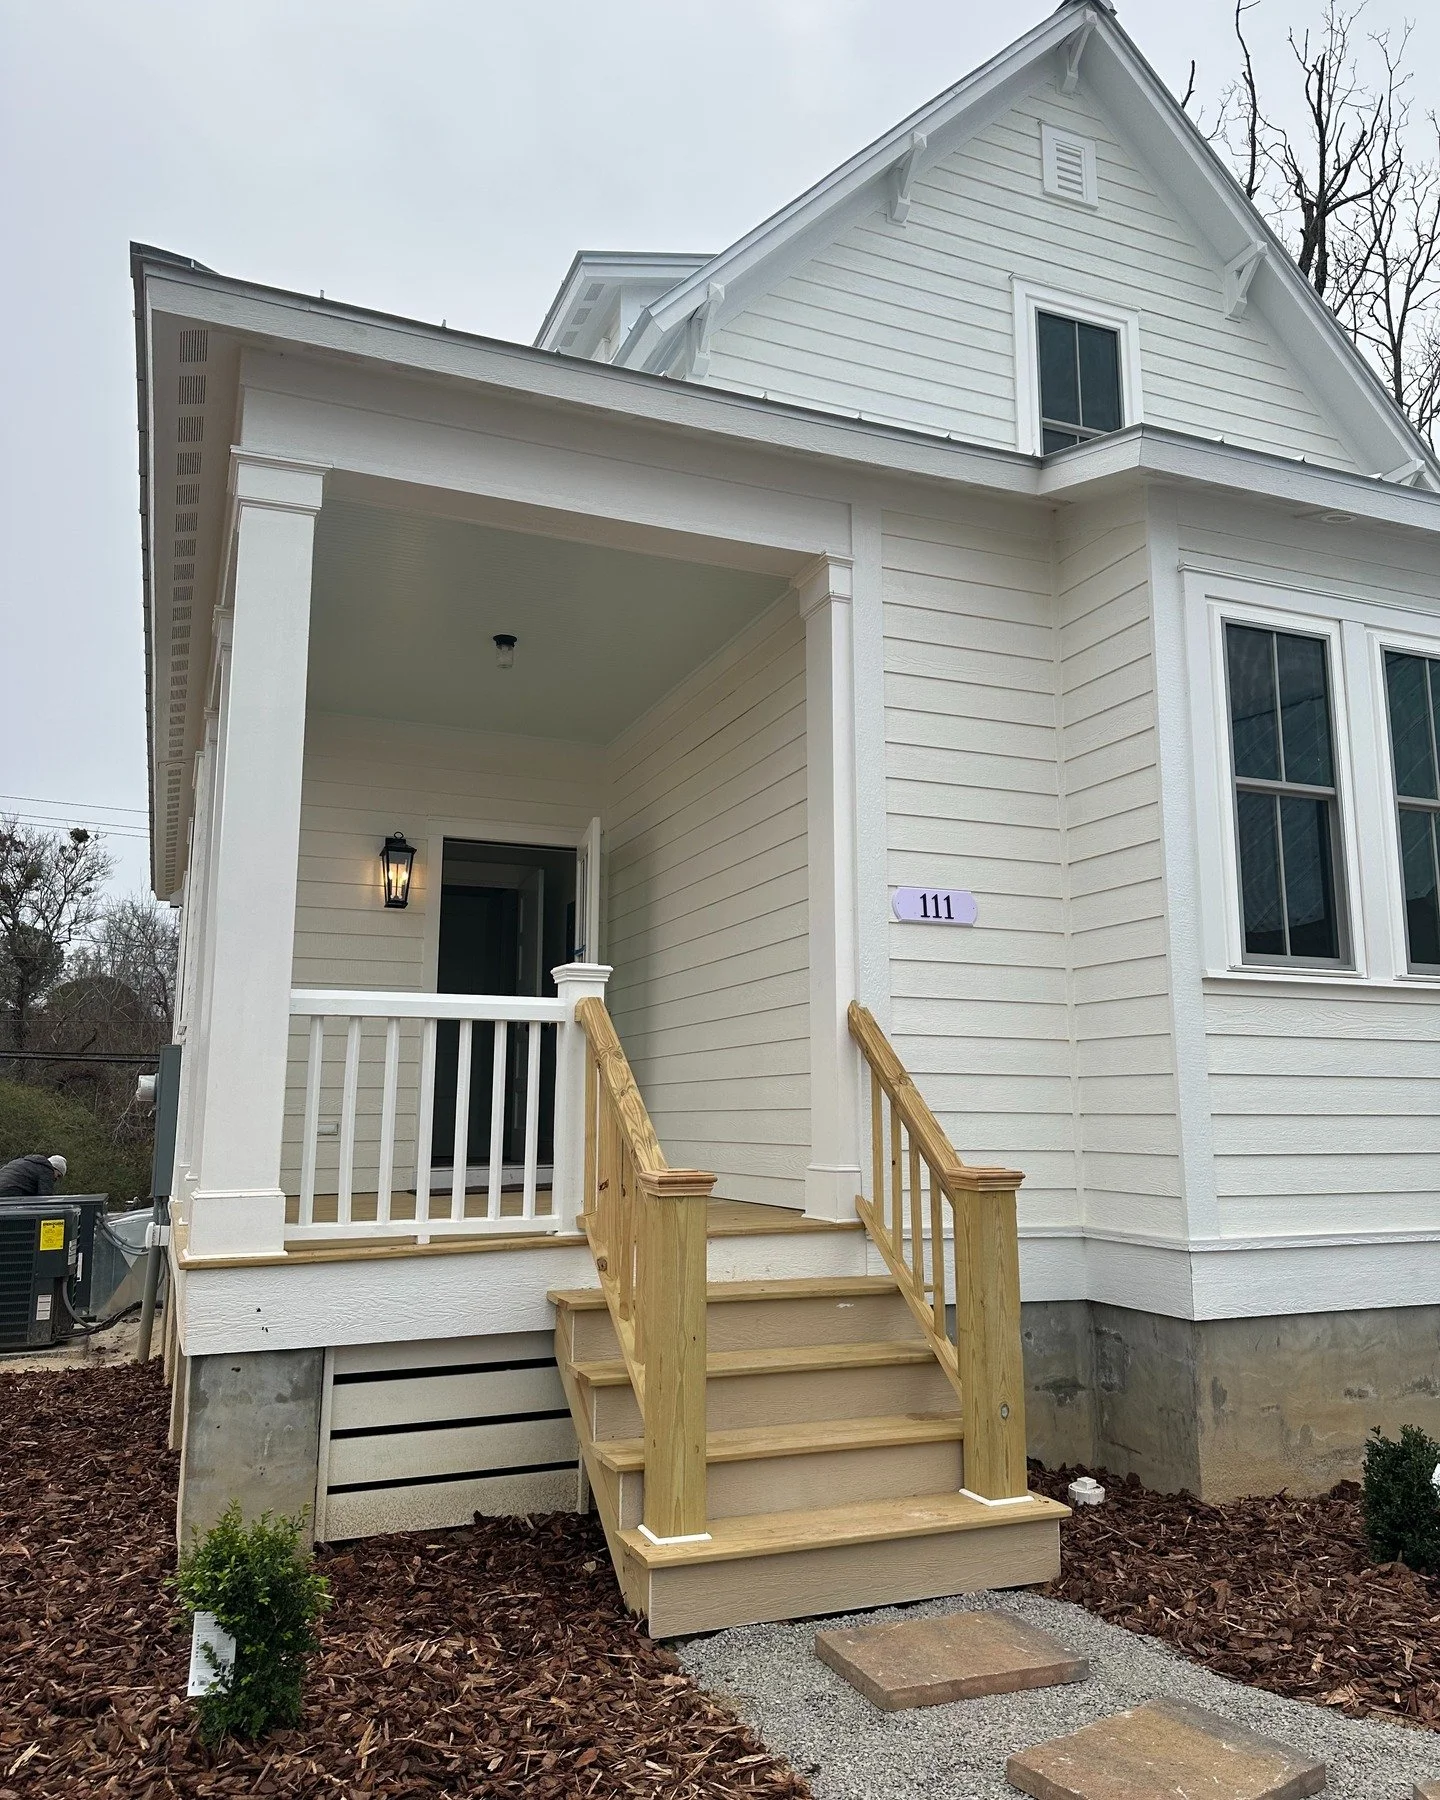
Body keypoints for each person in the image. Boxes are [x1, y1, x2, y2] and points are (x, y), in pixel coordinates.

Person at [0, 1153, 67, 1198]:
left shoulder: (20, 1161)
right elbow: (45, 1196)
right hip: (12, 1191)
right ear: (54, 1168)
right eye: (58, 1175)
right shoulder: (47, 1169)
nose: (56, 1179)